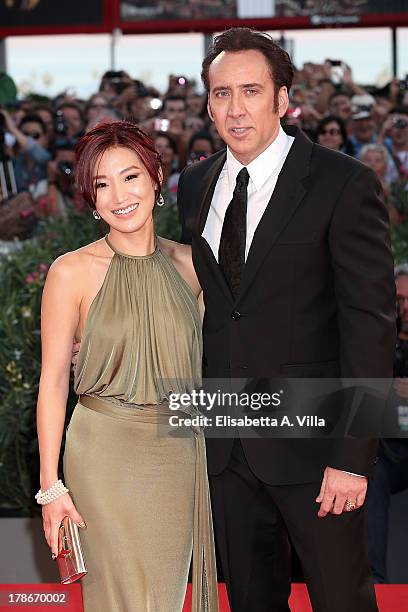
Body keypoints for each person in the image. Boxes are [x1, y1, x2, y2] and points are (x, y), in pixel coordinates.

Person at [177, 27, 395, 612]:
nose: (235, 107)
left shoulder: (343, 183)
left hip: (317, 448)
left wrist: (352, 458)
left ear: (282, 99)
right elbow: (205, 308)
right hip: (225, 444)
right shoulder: (195, 185)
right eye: (221, 94)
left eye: (251, 90)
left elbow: (371, 327)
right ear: (208, 104)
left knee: (342, 601)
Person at [36, 120, 218, 612]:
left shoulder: (193, 267)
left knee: (163, 596)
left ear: (157, 176)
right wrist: (50, 487)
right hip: (103, 456)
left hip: (177, 456)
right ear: (90, 199)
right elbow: (53, 381)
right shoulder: (70, 272)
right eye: (101, 183)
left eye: (130, 176)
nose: (118, 194)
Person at [367, 265, 408, 584]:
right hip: (388, 450)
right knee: (370, 468)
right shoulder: (381, 337)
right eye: (398, 299)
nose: (403, 306)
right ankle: (374, 579)